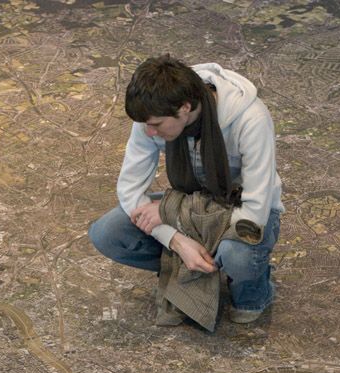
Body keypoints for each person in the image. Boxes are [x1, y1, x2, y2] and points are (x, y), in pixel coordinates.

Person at [89, 55, 284, 324]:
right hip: (191, 203)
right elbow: (130, 190)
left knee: (238, 255)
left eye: (156, 125)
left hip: (241, 210)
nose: (148, 132)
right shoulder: (152, 112)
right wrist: (177, 241)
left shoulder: (251, 119)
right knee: (107, 232)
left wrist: (174, 213)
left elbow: (254, 212)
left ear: (184, 108)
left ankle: (253, 288)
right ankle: (194, 266)